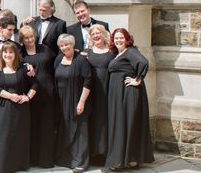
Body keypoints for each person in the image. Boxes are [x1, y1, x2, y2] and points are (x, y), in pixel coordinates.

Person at [103, 28, 154, 172]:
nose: (119, 40)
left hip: (127, 93)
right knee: (123, 124)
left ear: (127, 39)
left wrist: (137, 80)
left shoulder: (130, 51)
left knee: (124, 124)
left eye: (121, 38)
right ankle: (131, 160)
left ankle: (120, 161)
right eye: (116, 38)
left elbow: (143, 62)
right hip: (118, 95)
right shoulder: (117, 53)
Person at [0, 43, 37, 173]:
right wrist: (10, 96)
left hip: (21, 109)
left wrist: (28, 97)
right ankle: (2, 166)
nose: (8, 55)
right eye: (5, 52)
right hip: (3, 107)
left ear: (16, 54)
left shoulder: (24, 68)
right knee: (2, 136)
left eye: (11, 52)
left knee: (18, 136)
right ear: (1, 54)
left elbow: (35, 84)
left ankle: (19, 165)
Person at [18, 25, 56, 168]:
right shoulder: (20, 53)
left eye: (31, 37)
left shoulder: (45, 49)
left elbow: (57, 63)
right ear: (22, 40)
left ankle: (45, 160)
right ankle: (32, 159)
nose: (29, 40)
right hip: (30, 94)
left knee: (46, 127)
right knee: (31, 127)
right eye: (26, 38)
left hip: (47, 92)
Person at [54, 34, 92, 173]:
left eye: (66, 45)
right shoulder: (58, 59)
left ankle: (81, 162)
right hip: (62, 100)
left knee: (80, 131)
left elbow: (88, 82)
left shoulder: (81, 60)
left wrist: (82, 102)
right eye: (61, 45)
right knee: (65, 129)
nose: (64, 48)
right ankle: (66, 159)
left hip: (77, 99)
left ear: (73, 44)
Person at [83, 24, 114, 161]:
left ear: (104, 34)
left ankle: (105, 153)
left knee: (105, 121)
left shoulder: (112, 52)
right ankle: (94, 154)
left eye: (98, 33)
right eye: (93, 34)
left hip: (108, 91)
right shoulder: (86, 53)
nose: (96, 35)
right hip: (91, 92)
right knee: (93, 121)